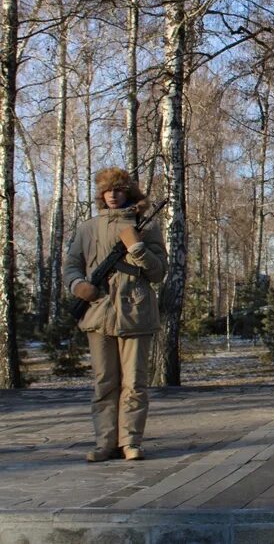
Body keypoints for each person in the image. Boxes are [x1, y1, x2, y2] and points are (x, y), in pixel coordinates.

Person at [64, 167, 167, 462]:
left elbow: (159, 272)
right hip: (99, 313)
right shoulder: (87, 228)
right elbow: (70, 265)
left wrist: (137, 247)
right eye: (107, 190)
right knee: (104, 382)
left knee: (134, 383)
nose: (112, 195)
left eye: (118, 190)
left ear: (128, 193)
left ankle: (130, 441)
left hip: (136, 312)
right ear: (100, 194)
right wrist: (78, 285)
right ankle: (105, 442)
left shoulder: (145, 226)